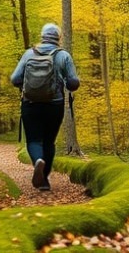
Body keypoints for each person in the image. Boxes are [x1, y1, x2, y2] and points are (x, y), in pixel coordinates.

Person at [11, 23, 80, 191]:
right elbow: (73, 83)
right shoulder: (63, 56)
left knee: (34, 139)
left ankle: (38, 162)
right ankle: (44, 180)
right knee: (49, 141)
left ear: (42, 37)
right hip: (54, 105)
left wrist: (27, 86)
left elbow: (15, 79)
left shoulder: (28, 54)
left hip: (30, 104)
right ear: (58, 38)